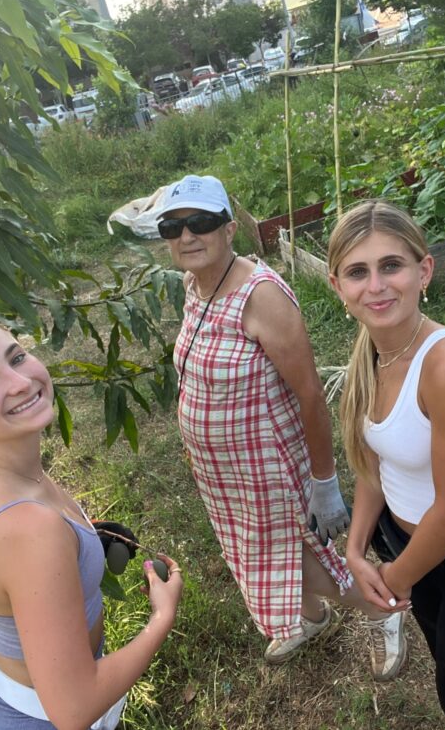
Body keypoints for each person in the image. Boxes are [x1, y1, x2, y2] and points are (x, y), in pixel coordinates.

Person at [0, 301, 183, 729]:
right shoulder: (29, 531)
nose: (20, 381)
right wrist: (162, 616)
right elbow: (74, 709)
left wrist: (54, 567)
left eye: (16, 357)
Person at [160, 174, 406, 678]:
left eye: (201, 223)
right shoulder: (194, 284)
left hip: (269, 466)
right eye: (173, 226)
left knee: (297, 556)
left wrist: (324, 483)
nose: (187, 236)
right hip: (227, 474)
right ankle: (310, 618)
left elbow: (310, 393)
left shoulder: (261, 296)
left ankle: (384, 610)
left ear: (229, 229)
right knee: (257, 549)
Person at [326, 200, 445, 723]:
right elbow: (375, 463)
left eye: (391, 265)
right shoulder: (372, 352)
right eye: (357, 272)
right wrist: (357, 545)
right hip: (409, 551)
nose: (377, 286)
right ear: (337, 284)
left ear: (423, 270)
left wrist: (393, 578)